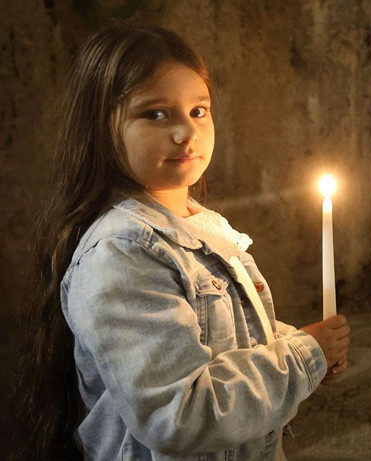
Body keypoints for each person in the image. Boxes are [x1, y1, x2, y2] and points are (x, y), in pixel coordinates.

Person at [15, 24, 350, 460]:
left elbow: (226, 342)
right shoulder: (121, 254)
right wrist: (303, 357)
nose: (185, 133)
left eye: (198, 111)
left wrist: (304, 343)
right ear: (100, 126)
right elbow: (178, 412)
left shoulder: (202, 225)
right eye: (155, 114)